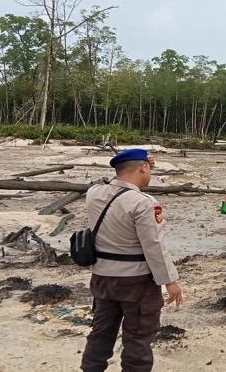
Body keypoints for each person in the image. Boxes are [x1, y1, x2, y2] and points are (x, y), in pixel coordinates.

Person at [81, 148, 183, 372]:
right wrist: (170, 281)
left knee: (100, 333)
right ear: (144, 168)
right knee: (137, 338)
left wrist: (141, 164)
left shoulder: (94, 193)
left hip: (102, 277)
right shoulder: (143, 203)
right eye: (149, 169)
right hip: (135, 283)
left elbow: (107, 180)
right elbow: (154, 246)